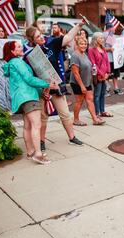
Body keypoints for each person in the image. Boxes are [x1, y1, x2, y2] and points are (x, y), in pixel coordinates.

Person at [23, 25, 84, 153]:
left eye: (41, 34)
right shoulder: (29, 54)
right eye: (38, 37)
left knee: (65, 114)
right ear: (32, 40)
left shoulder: (51, 43)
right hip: (41, 89)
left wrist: (79, 26)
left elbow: (67, 38)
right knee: (43, 117)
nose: (41, 37)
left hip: (56, 87)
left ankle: (72, 137)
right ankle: (41, 140)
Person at [2, 41, 58, 165]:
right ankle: (38, 154)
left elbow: (24, 81)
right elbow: (29, 79)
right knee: (36, 125)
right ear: (12, 51)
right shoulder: (18, 62)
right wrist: (47, 84)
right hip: (28, 97)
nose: (21, 47)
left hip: (21, 98)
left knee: (27, 126)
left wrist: (41, 92)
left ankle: (30, 152)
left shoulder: (12, 63)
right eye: (18, 47)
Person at [70, 36, 105, 126]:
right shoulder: (75, 55)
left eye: (85, 44)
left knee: (90, 99)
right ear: (77, 45)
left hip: (87, 81)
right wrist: (82, 86)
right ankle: (76, 120)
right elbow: (75, 73)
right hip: (78, 82)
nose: (84, 45)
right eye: (81, 44)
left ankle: (95, 119)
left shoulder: (84, 54)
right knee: (79, 101)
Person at [88, 32, 113, 118]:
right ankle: (97, 113)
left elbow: (107, 61)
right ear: (95, 39)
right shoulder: (91, 50)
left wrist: (108, 73)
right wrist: (101, 74)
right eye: (100, 38)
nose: (102, 40)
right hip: (98, 76)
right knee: (97, 95)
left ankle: (103, 111)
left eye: (102, 38)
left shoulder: (103, 49)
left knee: (103, 94)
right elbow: (93, 64)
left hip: (105, 75)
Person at [104, 23, 124, 96]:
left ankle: (116, 88)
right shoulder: (104, 35)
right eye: (114, 28)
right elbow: (101, 48)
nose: (115, 29)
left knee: (115, 74)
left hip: (115, 59)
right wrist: (109, 49)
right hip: (108, 59)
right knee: (108, 74)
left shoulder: (113, 35)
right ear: (110, 28)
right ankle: (106, 89)